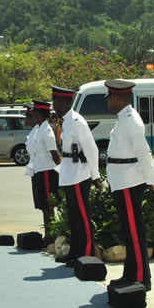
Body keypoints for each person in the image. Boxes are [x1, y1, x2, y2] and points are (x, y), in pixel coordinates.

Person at [103, 79, 154, 291]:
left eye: (110, 97)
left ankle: (141, 278)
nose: (108, 101)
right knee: (129, 230)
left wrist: (150, 178)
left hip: (128, 181)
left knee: (135, 231)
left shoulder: (131, 121)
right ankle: (131, 273)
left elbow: (143, 153)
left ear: (118, 98)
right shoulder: (123, 119)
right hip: (121, 180)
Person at [54, 85, 101, 266]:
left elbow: (91, 149)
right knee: (73, 217)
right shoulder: (65, 121)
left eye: (55, 101)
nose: (53, 105)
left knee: (82, 216)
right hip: (69, 173)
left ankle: (87, 255)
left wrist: (95, 174)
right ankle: (75, 253)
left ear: (64, 102)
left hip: (80, 175)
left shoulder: (76, 121)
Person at [26, 100, 61, 244]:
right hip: (38, 170)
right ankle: (48, 234)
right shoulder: (37, 129)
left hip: (47, 171)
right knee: (42, 206)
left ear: (40, 114)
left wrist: (62, 173)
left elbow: (55, 154)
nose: (32, 114)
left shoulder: (46, 131)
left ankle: (50, 236)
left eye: (34, 112)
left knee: (48, 206)